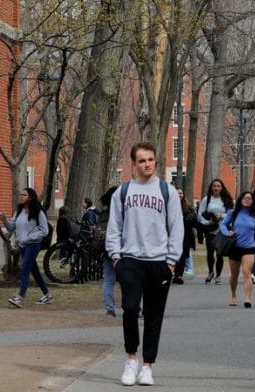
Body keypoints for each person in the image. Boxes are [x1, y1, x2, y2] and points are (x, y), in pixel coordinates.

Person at [105, 141, 184, 386]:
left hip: (159, 262)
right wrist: (116, 258)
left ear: (155, 161)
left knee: (154, 315)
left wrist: (171, 262)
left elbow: (176, 227)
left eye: (150, 159)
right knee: (130, 309)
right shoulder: (123, 192)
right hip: (130, 261)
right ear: (134, 164)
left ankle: (147, 365)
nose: (147, 164)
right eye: (142, 160)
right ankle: (131, 359)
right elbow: (114, 226)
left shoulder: (166, 191)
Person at [0, 188, 53, 308]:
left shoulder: (38, 212)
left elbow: (44, 230)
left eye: (24, 195)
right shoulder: (19, 211)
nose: (21, 197)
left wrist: (29, 238)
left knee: (24, 268)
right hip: (22, 245)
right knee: (35, 271)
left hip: (33, 245)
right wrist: (4, 220)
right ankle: (47, 295)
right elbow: (11, 228)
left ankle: (20, 297)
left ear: (31, 197)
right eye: (20, 194)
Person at [220, 191, 255, 308]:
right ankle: (233, 295)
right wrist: (227, 232)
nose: (248, 200)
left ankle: (248, 298)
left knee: (246, 272)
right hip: (234, 247)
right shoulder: (233, 213)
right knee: (234, 275)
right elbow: (223, 224)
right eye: (245, 198)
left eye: (250, 198)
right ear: (240, 199)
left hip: (249, 248)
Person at [197, 178, 234, 284]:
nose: (216, 188)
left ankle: (218, 276)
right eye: (214, 186)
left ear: (222, 188)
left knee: (219, 254)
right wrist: (207, 222)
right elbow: (199, 215)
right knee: (210, 253)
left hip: (222, 230)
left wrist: (222, 215)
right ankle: (210, 272)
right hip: (210, 230)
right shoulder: (206, 199)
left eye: (218, 186)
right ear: (211, 188)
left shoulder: (226, 200)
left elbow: (232, 214)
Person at [99, 185, 118, 317]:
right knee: (129, 280)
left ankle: (110, 308)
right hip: (122, 250)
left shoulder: (103, 213)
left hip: (106, 250)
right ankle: (133, 307)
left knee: (109, 280)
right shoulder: (122, 211)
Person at [173, 186, 197, 284]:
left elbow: (194, 220)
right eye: (177, 193)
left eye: (181, 193)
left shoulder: (188, 207)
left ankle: (179, 275)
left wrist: (184, 219)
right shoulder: (169, 205)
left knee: (183, 256)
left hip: (185, 235)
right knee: (175, 255)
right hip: (172, 235)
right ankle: (174, 273)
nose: (179, 195)